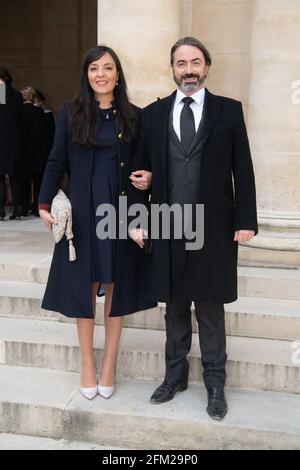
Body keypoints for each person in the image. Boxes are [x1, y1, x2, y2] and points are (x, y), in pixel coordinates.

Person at [130, 37, 258, 420]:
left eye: (195, 62)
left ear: (207, 66)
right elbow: (138, 171)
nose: (189, 69)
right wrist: (137, 217)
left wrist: (245, 221)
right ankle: (175, 376)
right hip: (168, 225)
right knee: (174, 307)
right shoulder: (153, 115)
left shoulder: (228, 111)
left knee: (210, 308)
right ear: (172, 68)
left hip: (214, 227)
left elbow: (243, 168)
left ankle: (215, 382)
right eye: (181, 62)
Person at [38, 45, 155, 400]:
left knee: (115, 288)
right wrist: (44, 202)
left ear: (118, 74)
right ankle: (87, 363)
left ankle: (109, 365)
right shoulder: (71, 113)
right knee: (84, 287)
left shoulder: (135, 116)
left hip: (120, 212)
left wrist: (148, 181)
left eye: (108, 68)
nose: (100, 74)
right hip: (83, 214)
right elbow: (57, 160)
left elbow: (146, 164)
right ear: (86, 75)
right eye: (93, 68)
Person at [0, 67, 23, 221]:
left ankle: (1, 211)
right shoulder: (18, 95)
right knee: (15, 178)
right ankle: (17, 209)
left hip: (2, 140)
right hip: (15, 141)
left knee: (1, 178)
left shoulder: (2, 92)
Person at [20, 86, 45, 217]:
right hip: (37, 152)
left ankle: (24, 208)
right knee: (37, 182)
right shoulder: (39, 112)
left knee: (24, 182)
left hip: (23, 152)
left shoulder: (18, 112)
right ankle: (36, 208)